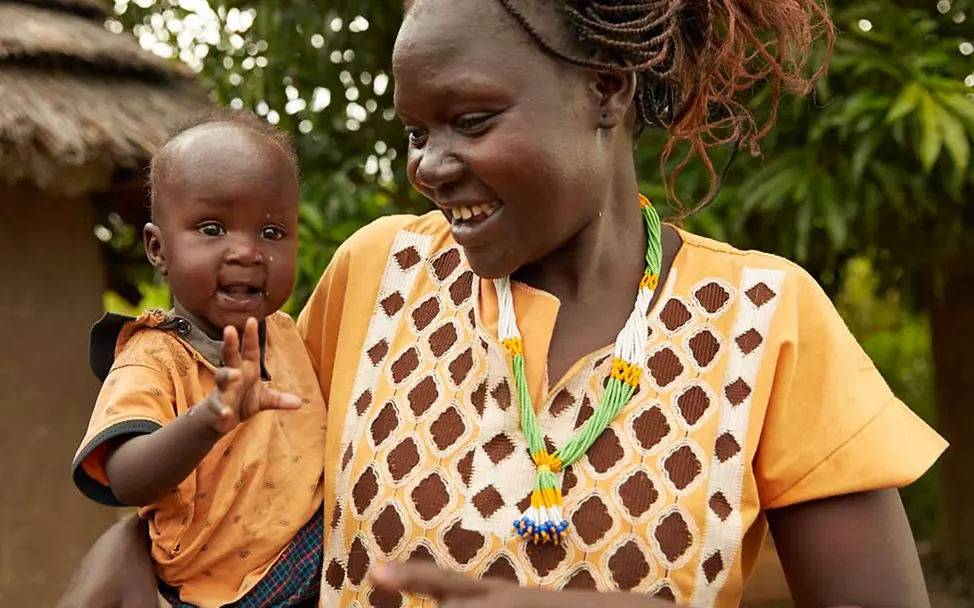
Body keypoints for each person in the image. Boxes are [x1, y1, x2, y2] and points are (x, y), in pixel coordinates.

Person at [60, 0, 947, 607]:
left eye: (471, 121)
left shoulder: (764, 319)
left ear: (604, 87)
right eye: (415, 131)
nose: (428, 165)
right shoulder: (377, 277)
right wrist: (131, 546)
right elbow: (243, 468)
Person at [70, 109, 327, 608]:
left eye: (272, 233)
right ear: (158, 249)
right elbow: (124, 477)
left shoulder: (287, 333)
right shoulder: (153, 359)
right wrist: (209, 419)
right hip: (227, 593)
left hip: (319, 556)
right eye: (213, 228)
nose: (247, 252)